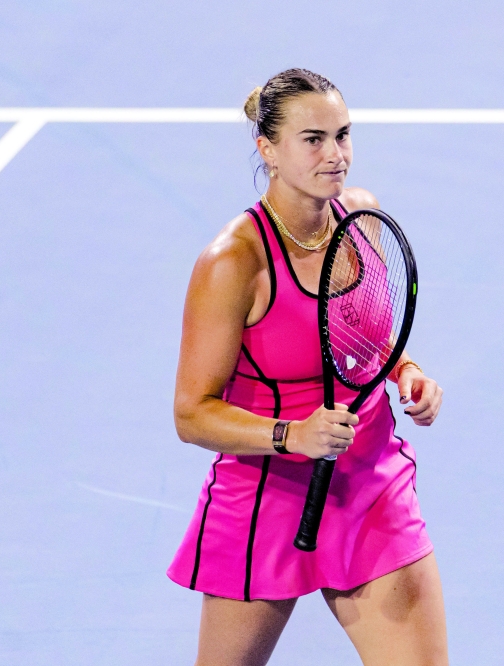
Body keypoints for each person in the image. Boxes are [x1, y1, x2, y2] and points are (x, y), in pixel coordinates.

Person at [168, 68, 447, 666]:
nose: (335, 154)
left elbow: (370, 341)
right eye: (313, 138)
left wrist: (408, 373)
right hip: (269, 493)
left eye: (343, 135)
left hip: (369, 482)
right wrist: (292, 435)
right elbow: (191, 414)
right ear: (267, 149)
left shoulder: (361, 218)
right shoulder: (233, 263)